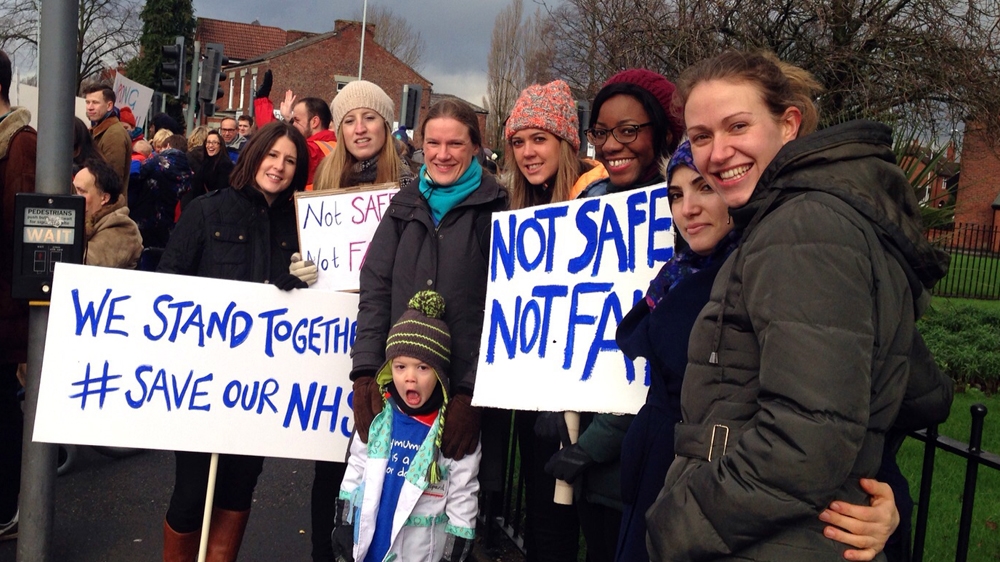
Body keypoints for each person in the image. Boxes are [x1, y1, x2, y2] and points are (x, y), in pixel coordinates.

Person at [646, 50, 951, 561]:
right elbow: (912, 389)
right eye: (700, 137)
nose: (718, 152)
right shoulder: (801, 219)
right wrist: (874, 484)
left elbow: (806, 441)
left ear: (788, 124)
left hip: (769, 539)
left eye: (737, 126)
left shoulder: (804, 226)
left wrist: (680, 523)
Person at [542, 69, 683, 562]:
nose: (611, 144)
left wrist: (598, 443)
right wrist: (549, 401)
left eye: (629, 130)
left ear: (662, 132)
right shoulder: (588, 204)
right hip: (584, 447)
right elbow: (559, 316)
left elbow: (665, 356)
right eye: (601, 131)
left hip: (642, 458)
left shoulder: (682, 216)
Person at [157, 121, 313, 562]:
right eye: (272, 155)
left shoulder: (302, 226)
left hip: (262, 387)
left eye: (290, 161)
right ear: (254, 154)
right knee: (191, 493)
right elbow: (168, 286)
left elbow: (318, 311)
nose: (279, 167)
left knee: (239, 487)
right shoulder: (207, 212)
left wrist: (305, 287)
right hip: (201, 384)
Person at [350, 98, 507, 510]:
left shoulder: (497, 208)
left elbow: (502, 310)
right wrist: (365, 372)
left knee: (449, 512)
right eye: (432, 143)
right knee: (387, 510)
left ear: (475, 146)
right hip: (402, 390)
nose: (441, 154)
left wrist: (471, 394)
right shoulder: (402, 208)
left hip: (461, 395)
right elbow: (376, 289)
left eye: (454, 144)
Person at [501, 78, 609, 562]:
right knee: (546, 521)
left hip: (589, 400)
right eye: (518, 142)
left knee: (588, 524)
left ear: (566, 142)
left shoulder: (601, 200)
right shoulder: (525, 204)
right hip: (536, 392)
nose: (527, 152)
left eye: (539, 139)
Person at [307, 79, 412, 562]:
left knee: (377, 459)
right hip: (330, 341)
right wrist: (302, 264)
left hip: (387, 337)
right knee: (328, 467)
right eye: (348, 119)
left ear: (386, 125)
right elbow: (311, 251)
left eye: (369, 117)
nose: (359, 127)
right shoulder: (322, 186)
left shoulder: (411, 183)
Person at [335, 290, 480, 562]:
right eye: (400, 367)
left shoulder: (451, 431)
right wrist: (344, 523)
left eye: (423, 368)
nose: (409, 378)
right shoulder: (380, 417)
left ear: (439, 373)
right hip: (369, 551)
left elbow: (464, 493)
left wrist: (456, 550)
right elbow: (356, 468)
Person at [0, 49, 36, 542]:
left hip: (5, 305)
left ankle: (8, 506)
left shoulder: (20, 145)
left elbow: (19, 232)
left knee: (4, 406)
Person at [74, 158, 143, 269]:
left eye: (81, 191)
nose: (74, 197)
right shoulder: (82, 218)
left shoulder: (123, 229)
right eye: (73, 190)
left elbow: (89, 265)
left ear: (104, 198)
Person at [130, 133, 192, 249]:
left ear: (167, 146)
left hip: (145, 217)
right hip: (166, 220)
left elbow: (136, 175)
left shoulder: (156, 162)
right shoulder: (187, 171)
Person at [83, 83, 131, 197]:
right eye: (87, 102)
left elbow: (112, 179)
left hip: (107, 206)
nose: (90, 107)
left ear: (109, 106)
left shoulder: (114, 134)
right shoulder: (98, 130)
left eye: (95, 102)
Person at [181, 130, 234, 210]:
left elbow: (222, 190)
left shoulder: (225, 164)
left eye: (214, 142)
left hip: (216, 207)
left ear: (220, 145)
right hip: (204, 206)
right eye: (208, 142)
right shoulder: (206, 162)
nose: (210, 145)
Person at [290, 97, 337, 185]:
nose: (293, 125)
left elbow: (272, 144)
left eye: (297, 120)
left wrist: (262, 100)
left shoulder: (311, 149)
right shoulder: (336, 144)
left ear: (314, 122)